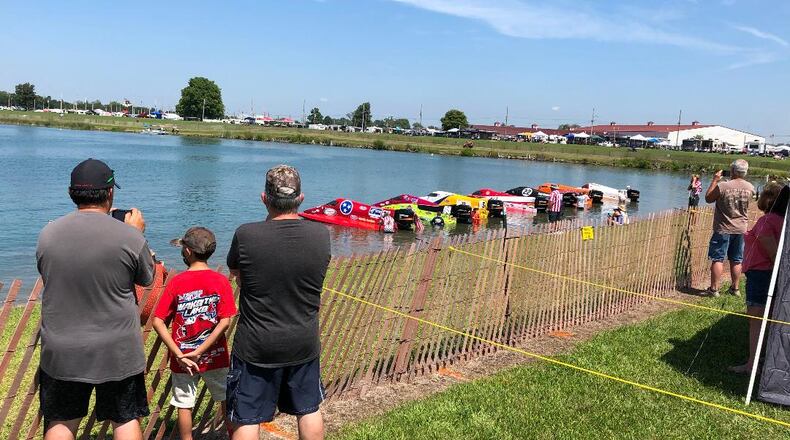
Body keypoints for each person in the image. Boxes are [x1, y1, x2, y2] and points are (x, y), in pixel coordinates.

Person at [36, 158, 154, 440]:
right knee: (125, 419)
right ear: (110, 193)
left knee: (61, 421)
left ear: (70, 193)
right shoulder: (129, 236)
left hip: (62, 348)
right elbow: (147, 278)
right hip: (117, 350)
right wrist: (135, 233)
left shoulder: (48, 233)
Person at [226, 165, 330, 440]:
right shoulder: (321, 236)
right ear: (301, 198)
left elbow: (236, 272)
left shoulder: (246, 235)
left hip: (256, 345)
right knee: (308, 408)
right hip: (303, 341)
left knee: (248, 416)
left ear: (264, 198)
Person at [152, 227, 237, 440]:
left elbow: (157, 321)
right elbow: (225, 321)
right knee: (226, 400)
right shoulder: (220, 281)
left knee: (184, 404)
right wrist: (201, 351)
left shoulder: (177, 282)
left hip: (183, 360)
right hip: (215, 356)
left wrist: (179, 354)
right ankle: (233, 435)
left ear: (187, 252)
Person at [729, 183, 788, 374]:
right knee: (767, 318)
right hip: (766, 274)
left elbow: (773, 253)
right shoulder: (781, 221)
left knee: (756, 319)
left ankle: (751, 365)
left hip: (762, 274)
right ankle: (762, 357)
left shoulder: (767, 221)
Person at [704, 159, 755, 297]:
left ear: (732, 170)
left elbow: (708, 198)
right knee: (737, 259)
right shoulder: (750, 187)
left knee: (718, 258)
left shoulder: (723, 186)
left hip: (723, 227)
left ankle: (714, 289)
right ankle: (735, 288)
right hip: (741, 228)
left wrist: (715, 180)